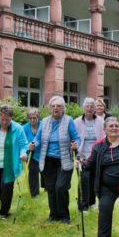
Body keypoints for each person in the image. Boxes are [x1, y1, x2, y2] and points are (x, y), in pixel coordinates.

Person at [29, 96, 79, 224]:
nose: (55, 108)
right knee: (51, 188)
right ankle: (53, 214)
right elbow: (38, 138)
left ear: (63, 109)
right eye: (53, 106)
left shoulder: (68, 120)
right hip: (48, 160)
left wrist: (75, 144)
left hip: (64, 160)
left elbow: (76, 138)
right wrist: (33, 144)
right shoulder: (45, 121)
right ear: (50, 108)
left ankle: (64, 215)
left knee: (61, 187)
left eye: (59, 106)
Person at [74, 97, 105, 212]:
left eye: (92, 106)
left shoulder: (101, 121)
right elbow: (73, 138)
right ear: (83, 108)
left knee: (94, 180)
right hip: (82, 157)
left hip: (96, 156)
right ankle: (83, 205)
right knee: (84, 180)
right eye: (87, 106)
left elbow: (104, 138)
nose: (89, 108)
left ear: (95, 108)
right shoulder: (76, 122)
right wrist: (77, 156)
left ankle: (92, 202)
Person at [21, 107, 42, 198]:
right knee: (33, 172)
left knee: (45, 171)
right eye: (30, 118)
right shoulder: (24, 128)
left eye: (34, 118)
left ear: (38, 118)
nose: (32, 120)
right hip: (30, 153)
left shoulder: (43, 125)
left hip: (42, 152)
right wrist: (28, 147)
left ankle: (47, 187)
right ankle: (34, 193)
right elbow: (22, 141)